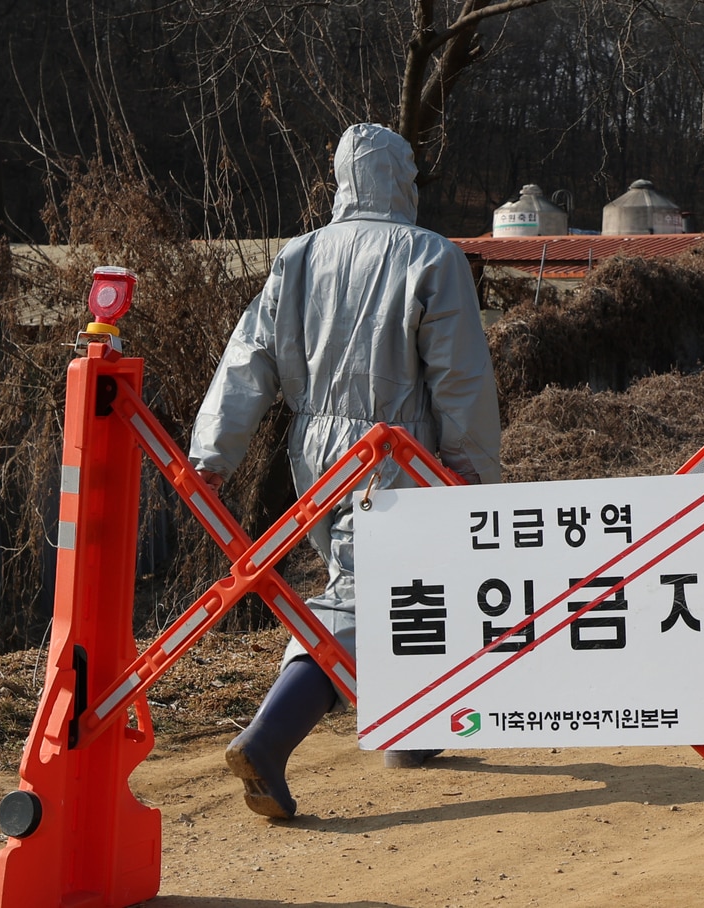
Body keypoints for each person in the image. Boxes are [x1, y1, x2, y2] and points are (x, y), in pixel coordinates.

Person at [188, 123, 502, 819]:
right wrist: (475, 474)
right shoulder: (430, 255)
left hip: (315, 446)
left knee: (387, 585)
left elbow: (251, 356)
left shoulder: (297, 258)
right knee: (365, 595)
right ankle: (269, 737)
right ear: (403, 181)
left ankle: (410, 727)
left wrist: (214, 450)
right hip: (398, 448)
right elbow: (460, 378)